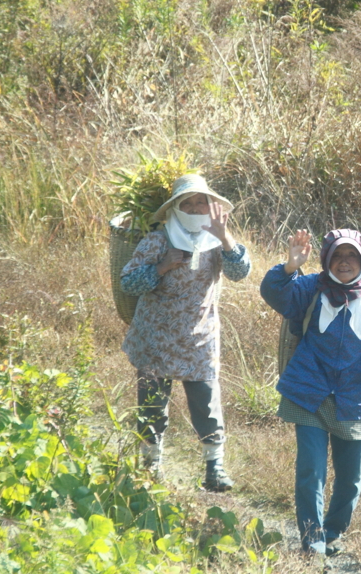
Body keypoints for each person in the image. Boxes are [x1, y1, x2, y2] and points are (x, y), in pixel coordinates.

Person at [260, 228, 361, 556]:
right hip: (309, 392)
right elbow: (272, 292)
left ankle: (333, 531)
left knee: (351, 478)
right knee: (311, 470)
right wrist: (289, 266)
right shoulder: (310, 287)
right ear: (326, 259)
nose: (344, 262)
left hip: (355, 398)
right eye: (337, 255)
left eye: (352, 255)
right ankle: (312, 541)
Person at [119, 173, 251, 491]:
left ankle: (214, 470)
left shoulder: (216, 240)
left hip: (199, 339)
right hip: (156, 338)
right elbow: (128, 283)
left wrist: (226, 236)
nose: (194, 208)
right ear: (175, 208)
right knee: (152, 405)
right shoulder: (158, 240)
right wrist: (161, 266)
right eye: (186, 203)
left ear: (210, 206)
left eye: (200, 202)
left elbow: (240, 273)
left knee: (206, 405)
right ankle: (150, 469)